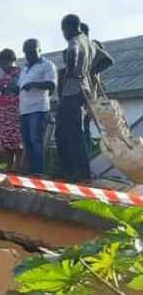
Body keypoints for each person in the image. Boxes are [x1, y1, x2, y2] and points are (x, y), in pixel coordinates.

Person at [57, 14, 94, 182]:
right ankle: (83, 173)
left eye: (63, 30)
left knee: (64, 134)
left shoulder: (74, 42)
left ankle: (72, 173)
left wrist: (70, 72)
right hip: (84, 89)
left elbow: (73, 55)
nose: (63, 35)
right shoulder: (89, 42)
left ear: (68, 28)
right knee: (78, 132)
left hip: (72, 91)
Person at [17, 38, 55, 175]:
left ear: (39, 50)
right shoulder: (25, 68)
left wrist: (34, 84)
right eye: (26, 52)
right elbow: (19, 87)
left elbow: (52, 85)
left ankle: (38, 172)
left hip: (38, 109)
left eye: (32, 51)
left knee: (36, 140)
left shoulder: (47, 65)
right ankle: (29, 171)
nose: (29, 54)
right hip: (24, 109)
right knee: (27, 142)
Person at [0, 49, 23, 172]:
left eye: (4, 62)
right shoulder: (3, 77)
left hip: (14, 112)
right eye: (0, 64)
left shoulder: (20, 74)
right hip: (1, 113)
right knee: (5, 142)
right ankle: (9, 166)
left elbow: (18, 90)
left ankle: (18, 166)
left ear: (12, 61)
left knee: (16, 141)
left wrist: (7, 88)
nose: (2, 66)